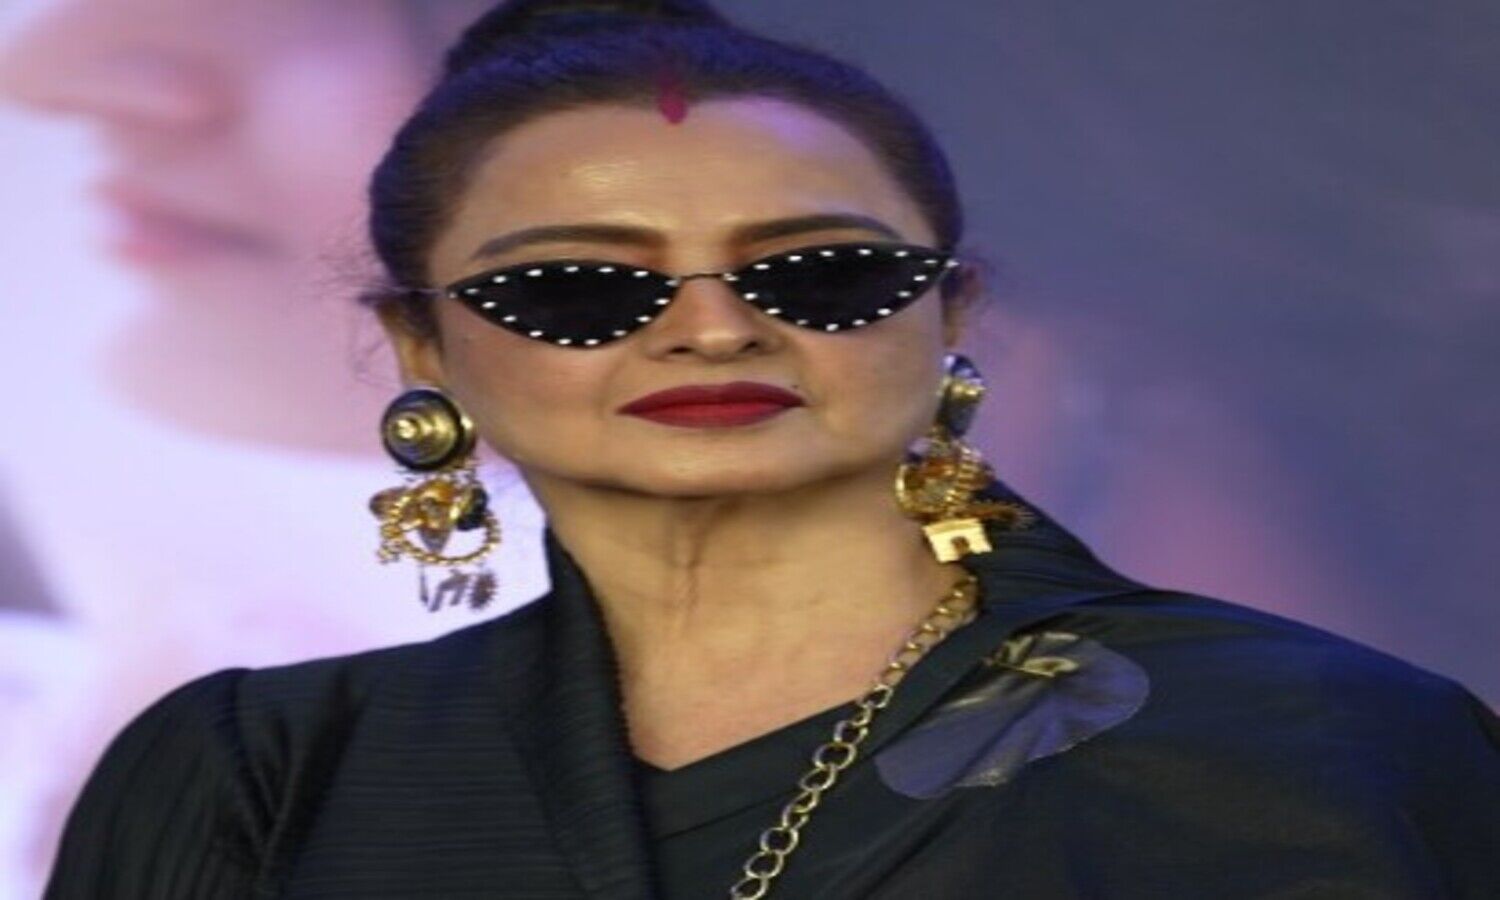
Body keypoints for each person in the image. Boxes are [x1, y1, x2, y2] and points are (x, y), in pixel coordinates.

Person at [42, 1, 1500, 898]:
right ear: (426, 345)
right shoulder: (250, 769)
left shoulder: (1326, 746)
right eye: (575, 284)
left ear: (956, 312)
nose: (710, 330)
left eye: (820, 274)